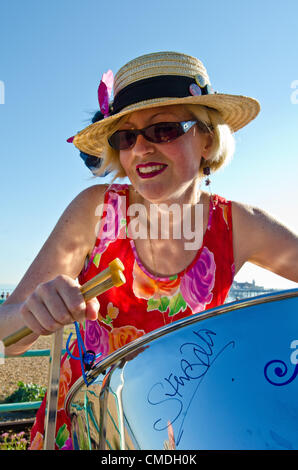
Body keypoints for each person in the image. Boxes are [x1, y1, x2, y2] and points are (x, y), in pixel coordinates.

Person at [0, 51, 297, 450]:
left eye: (163, 130)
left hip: (179, 434)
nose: (140, 149)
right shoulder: (94, 210)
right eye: (126, 137)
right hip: (80, 432)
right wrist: (31, 311)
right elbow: (10, 338)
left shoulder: (239, 225)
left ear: (207, 139)